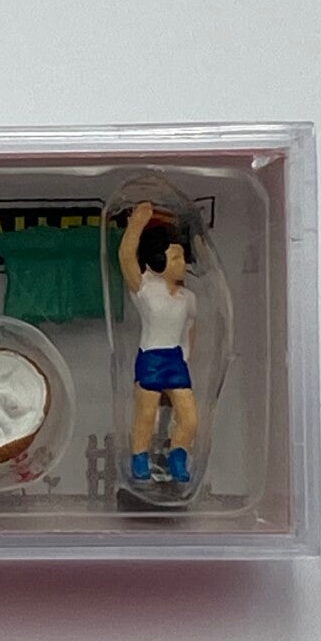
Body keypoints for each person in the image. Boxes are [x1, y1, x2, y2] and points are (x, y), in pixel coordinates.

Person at [118, 201, 198, 483]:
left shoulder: (188, 298)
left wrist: (185, 354)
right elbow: (126, 257)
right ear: (158, 260)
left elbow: (190, 327)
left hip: (175, 359)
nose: (182, 264)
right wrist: (136, 225)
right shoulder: (145, 289)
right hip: (151, 358)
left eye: (182, 258)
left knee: (189, 418)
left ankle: (178, 455)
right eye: (174, 258)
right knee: (146, 414)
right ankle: (140, 457)